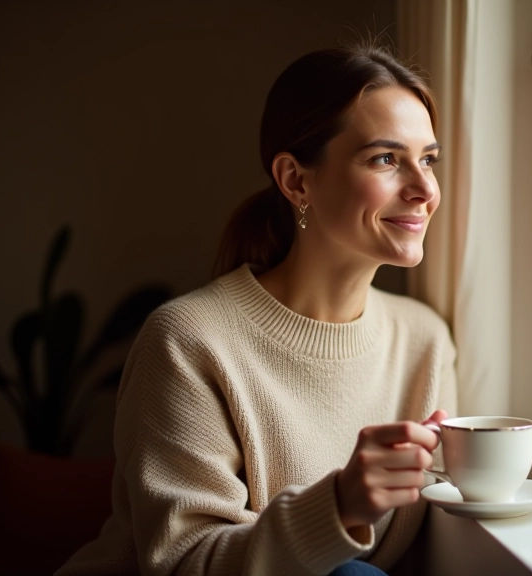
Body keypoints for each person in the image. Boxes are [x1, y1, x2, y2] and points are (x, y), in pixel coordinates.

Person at [57, 43, 457, 576]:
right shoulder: (186, 341)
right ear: (296, 180)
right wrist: (337, 507)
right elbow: (184, 562)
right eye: (386, 159)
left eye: (428, 159)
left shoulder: (424, 340)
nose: (425, 189)